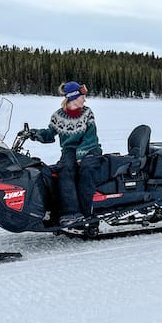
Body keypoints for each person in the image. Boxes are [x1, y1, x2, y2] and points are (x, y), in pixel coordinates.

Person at [28, 81, 104, 226]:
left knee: (86, 171)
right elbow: (50, 134)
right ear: (73, 97)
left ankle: (86, 213)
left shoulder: (87, 113)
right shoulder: (58, 116)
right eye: (82, 96)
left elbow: (90, 137)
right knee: (65, 171)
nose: (85, 99)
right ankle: (70, 213)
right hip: (70, 150)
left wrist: (81, 155)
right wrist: (34, 134)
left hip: (90, 149)